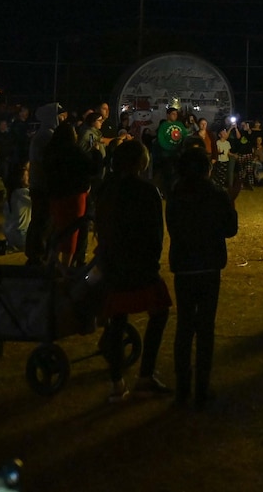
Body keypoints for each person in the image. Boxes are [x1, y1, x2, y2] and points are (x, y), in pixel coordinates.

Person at [93, 139, 173, 402]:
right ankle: (145, 376)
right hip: (139, 263)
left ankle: (117, 383)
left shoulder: (106, 188)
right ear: (140, 162)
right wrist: (152, 261)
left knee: (117, 321)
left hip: (113, 262)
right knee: (159, 313)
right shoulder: (146, 190)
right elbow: (154, 233)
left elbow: (101, 226)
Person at [166, 146, 238, 408]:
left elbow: (173, 227)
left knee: (185, 327)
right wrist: (231, 202)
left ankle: (182, 390)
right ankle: (201, 389)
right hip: (209, 267)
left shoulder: (176, 193)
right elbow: (230, 229)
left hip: (184, 266)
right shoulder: (215, 193)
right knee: (205, 328)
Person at [42, 122, 97, 268]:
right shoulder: (75, 151)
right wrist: (96, 153)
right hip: (75, 196)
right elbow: (92, 169)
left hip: (55, 195)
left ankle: (51, 261)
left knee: (57, 227)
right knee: (73, 229)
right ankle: (66, 266)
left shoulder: (50, 150)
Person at [24, 102, 67, 264]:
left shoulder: (45, 134)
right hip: (43, 184)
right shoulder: (47, 136)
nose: (63, 119)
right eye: (60, 116)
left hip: (40, 183)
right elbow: (48, 161)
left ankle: (36, 253)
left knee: (40, 220)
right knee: (42, 221)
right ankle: (37, 254)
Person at [155, 106, 186, 196]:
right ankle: (166, 192)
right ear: (168, 115)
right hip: (167, 155)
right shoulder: (163, 126)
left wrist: (180, 148)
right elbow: (161, 140)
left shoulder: (180, 125)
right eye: (173, 114)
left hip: (179, 154)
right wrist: (170, 148)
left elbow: (184, 136)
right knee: (167, 174)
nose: (175, 116)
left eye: (176, 114)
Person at [3, 161, 32, 252]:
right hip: (21, 236)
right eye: (27, 175)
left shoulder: (11, 193)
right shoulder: (23, 193)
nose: (29, 177)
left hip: (9, 234)